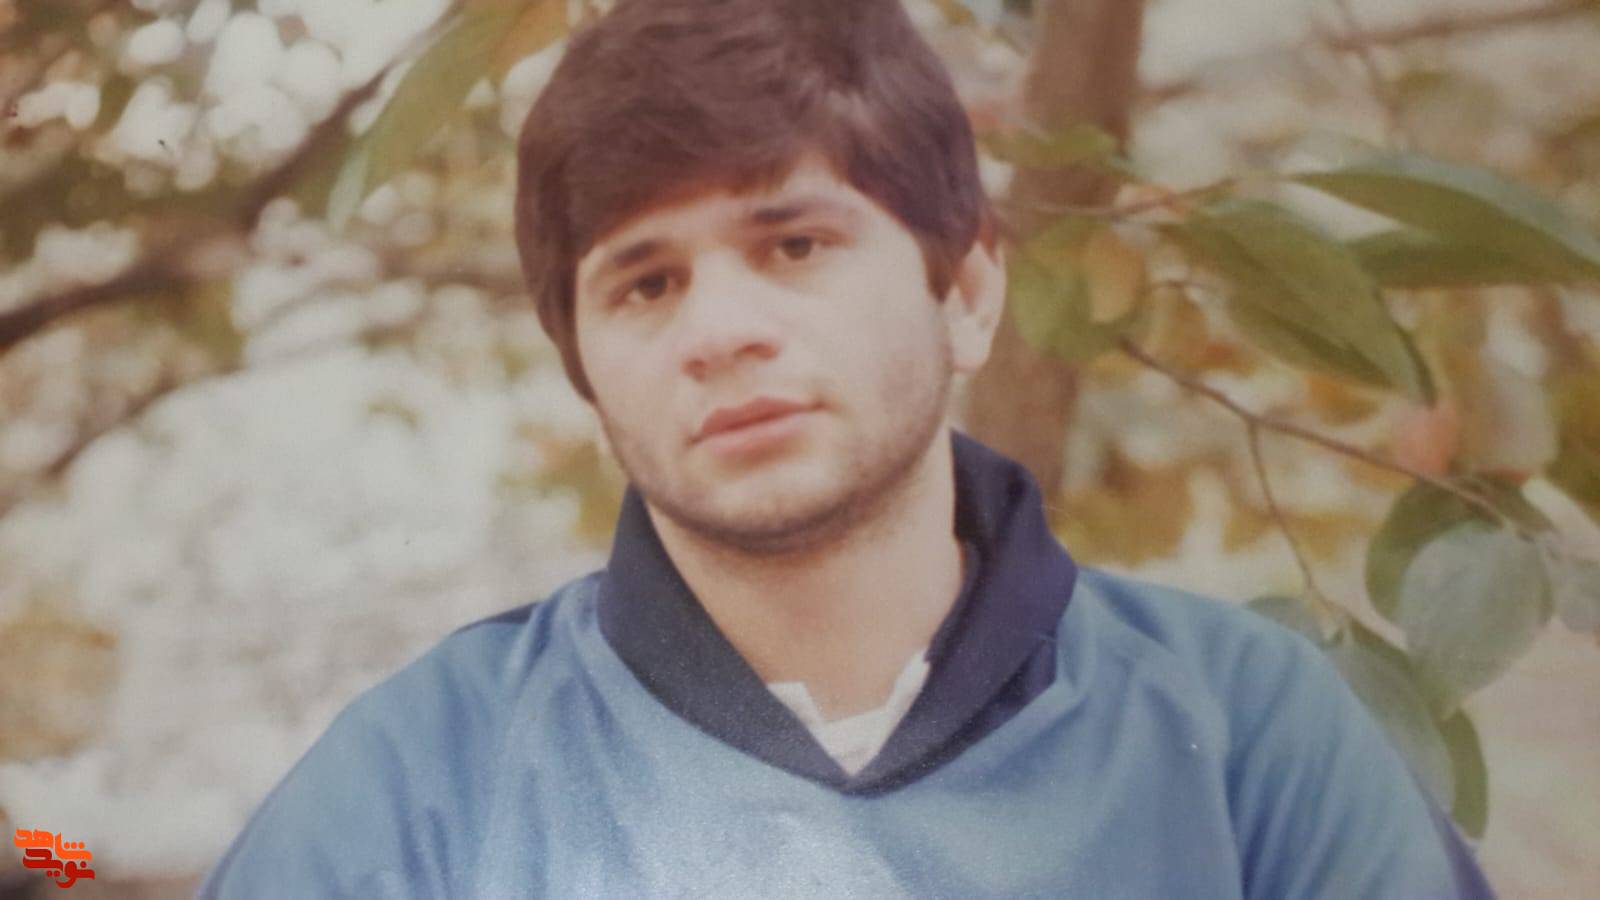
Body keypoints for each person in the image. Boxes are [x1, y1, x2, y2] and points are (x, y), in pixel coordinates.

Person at [200, 0, 1495, 896]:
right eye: (646, 283)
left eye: (795, 244)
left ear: (966, 292)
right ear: (585, 373)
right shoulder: (419, 785)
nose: (720, 332)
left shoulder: (1250, 732)